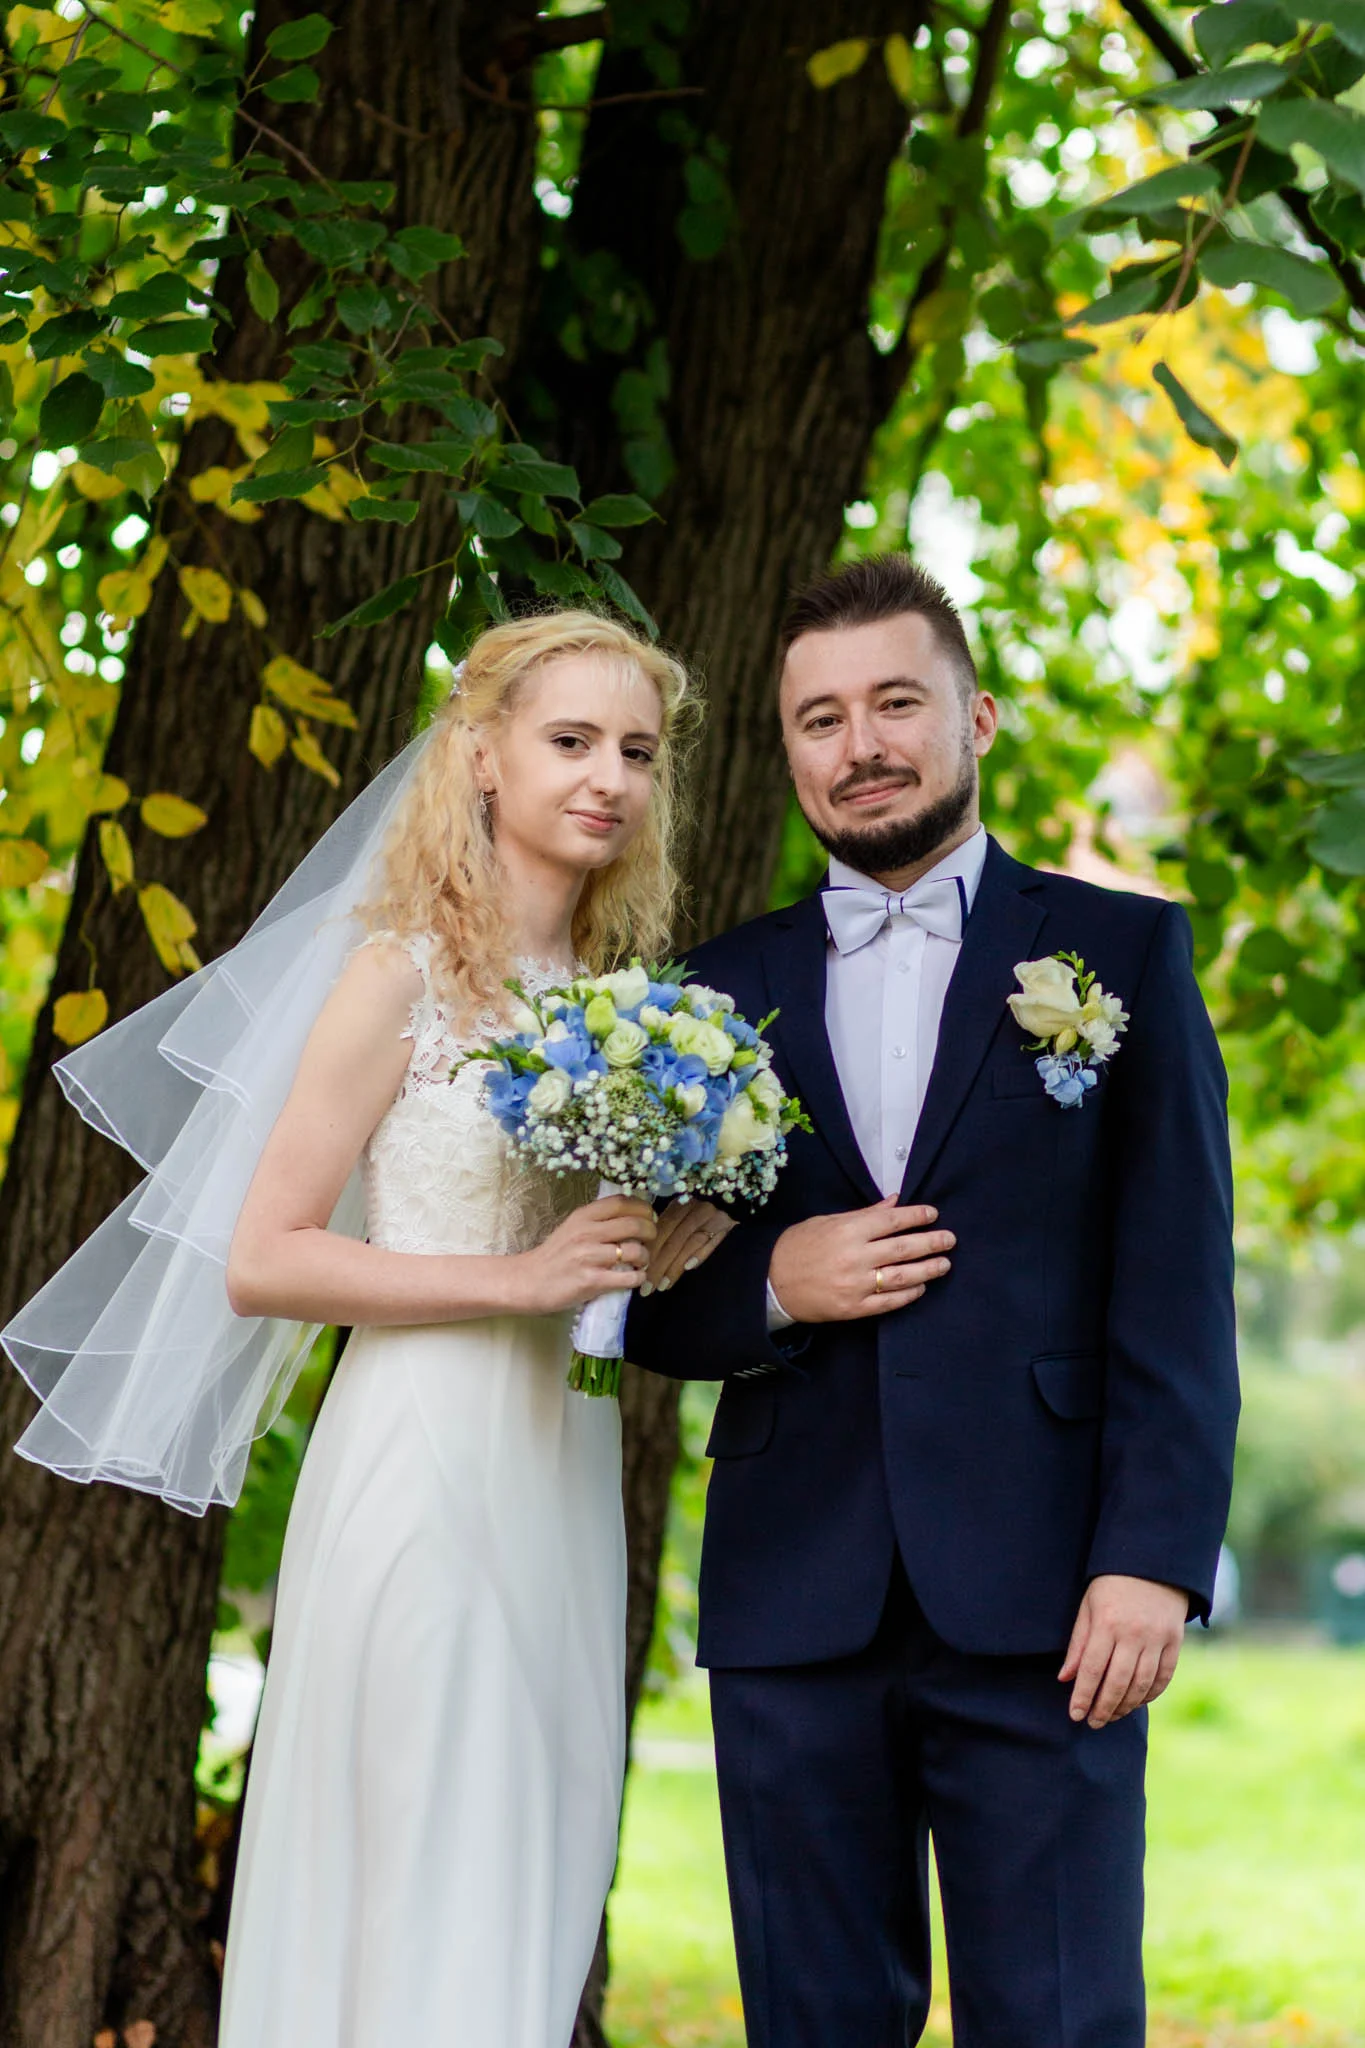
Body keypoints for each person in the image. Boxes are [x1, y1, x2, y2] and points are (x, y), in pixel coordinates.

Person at [3, 609, 731, 2048]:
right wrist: (523, 1282)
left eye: (638, 752)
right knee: (418, 1837)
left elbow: (573, 1258)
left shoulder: (618, 1012)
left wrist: (656, 1245)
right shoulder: (399, 974)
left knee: (537, 1838)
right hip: (421, 1453)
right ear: (482, 756)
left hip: (561, 1469)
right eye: (572, 740)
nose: (611, 778)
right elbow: (263, 1258)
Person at [626, 555, 1240, 2048]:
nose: (862, 745)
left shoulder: (1123, 954)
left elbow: (1178, 1289)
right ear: (791, 751)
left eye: (896, 703)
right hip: (793, 1600)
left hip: (1052, 1606)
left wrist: (1152, 1561)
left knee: (1058, 2017)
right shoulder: (705, 994)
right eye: (821, 718)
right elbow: (636, 1305)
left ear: (976, 717)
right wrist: (775, 1284)